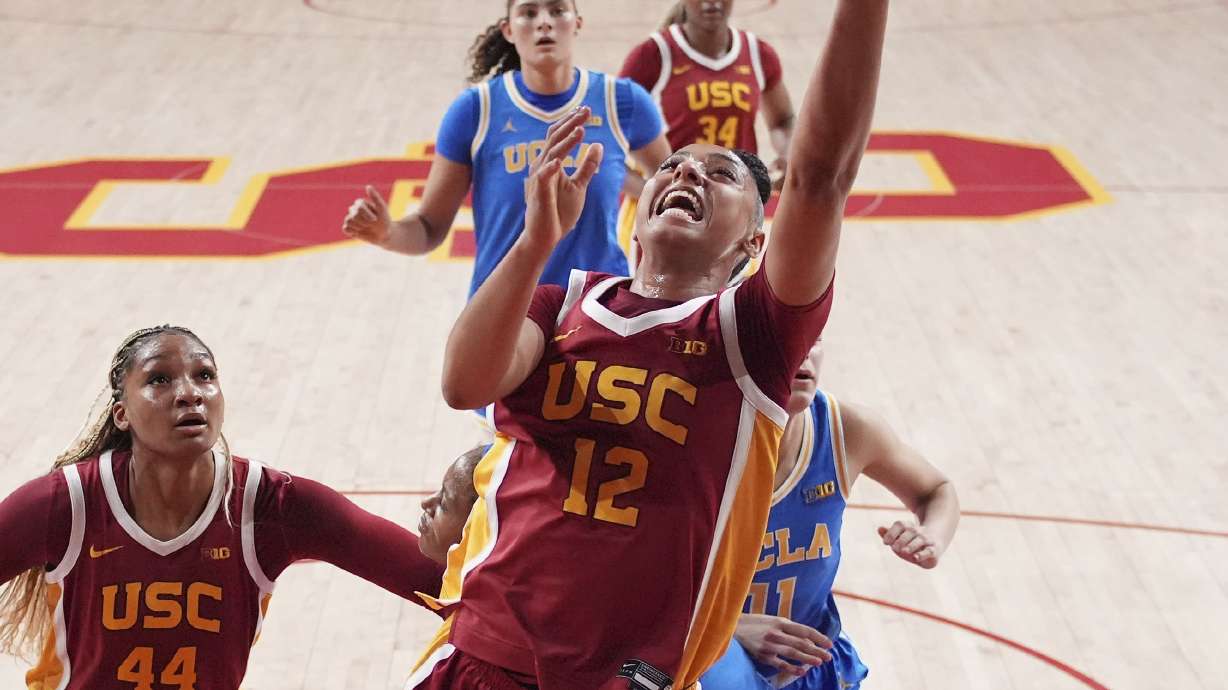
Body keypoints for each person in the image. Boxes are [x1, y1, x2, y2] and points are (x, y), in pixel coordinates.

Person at [407, 1, 891, 688]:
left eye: (720, 175)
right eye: (674, 167)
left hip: (631, 675)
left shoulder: (751, 336)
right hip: (489, 655)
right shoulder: (560, 305)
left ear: (753, 247)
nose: (687, 173)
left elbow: (820, 177)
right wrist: (535, 240)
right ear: (635, 225)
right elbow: (463, 384)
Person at [0, 326, 445, 690]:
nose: (189, 393)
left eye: (205, 376)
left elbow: (442, 582)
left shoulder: (274, 505)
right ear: (122, 414)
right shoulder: (67, 503)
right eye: (159, 379)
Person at [342, 0, 671, 298]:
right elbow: (428, 228)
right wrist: (386, 233)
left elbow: (672, 199)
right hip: (504, 312)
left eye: (557, 10)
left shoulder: (623, 102)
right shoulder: (476, 110)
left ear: (577, 23)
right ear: (508, 30)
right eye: (529, 13)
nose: (544, 22)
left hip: (597, 311)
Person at [699, 340, 960, 690]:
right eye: (788, 334)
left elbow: (935, 491)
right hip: (706, 662)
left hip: (808, 666)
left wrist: (932, 536)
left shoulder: (846, 429)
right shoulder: (690, 445)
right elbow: (627, 592)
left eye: (815, 337)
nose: (804, 349)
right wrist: (728, 629)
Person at [621, 0, 795, 179]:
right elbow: (610, 128)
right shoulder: (653, 55)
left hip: (736, 193)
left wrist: (787, 155)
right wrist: (646, 186)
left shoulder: (758, 53)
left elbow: (783, 121)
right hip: (679, 193)